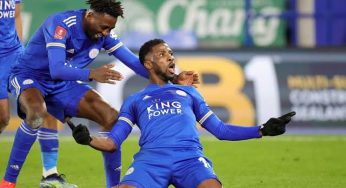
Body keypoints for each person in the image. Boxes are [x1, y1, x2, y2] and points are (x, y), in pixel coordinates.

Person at [0, 1, 198, 188]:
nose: (105, 33)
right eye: (103, 27)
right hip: (30, 76)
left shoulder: (104, 35)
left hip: (63, 84)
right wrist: (92, 74)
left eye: (110, 29)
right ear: (90, 15)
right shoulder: (61, 24)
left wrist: (173, 77)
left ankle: (113, 185)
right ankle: (8, 182)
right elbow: (57, 69)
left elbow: (136, 64)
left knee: (111, 117)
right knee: (36, 114)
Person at [70, 38, 296, 188]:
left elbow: (221, 130)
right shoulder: (135, 100)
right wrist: (88, 139)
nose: (170, 57)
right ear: (148, 64)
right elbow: (113, 143)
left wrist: (262, 130)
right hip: (151, 161)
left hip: (189, 159)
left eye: (170, 53)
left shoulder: (188, 93)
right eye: (162, 54)